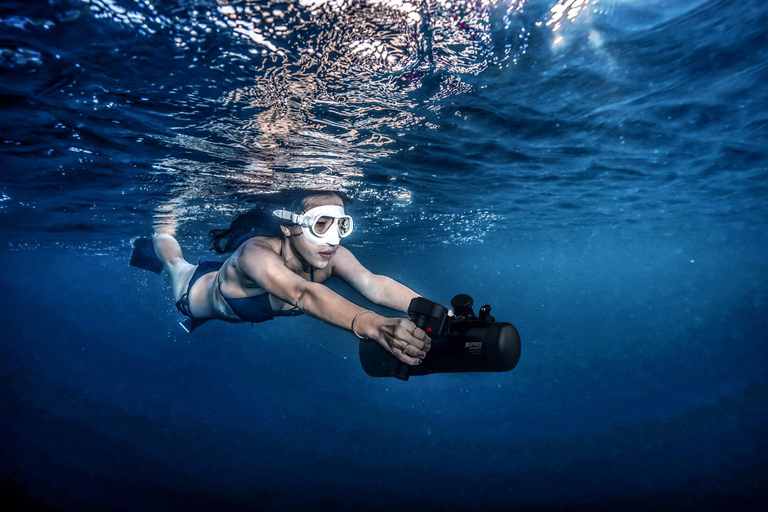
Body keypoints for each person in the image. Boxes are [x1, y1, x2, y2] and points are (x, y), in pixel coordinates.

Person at [132, 189, 431, 366]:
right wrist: (375, 325)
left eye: (340, 226)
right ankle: (159, 230)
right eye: (321, 225)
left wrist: (441, 314)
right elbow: (302, 293)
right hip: (194, 291)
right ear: (288, 227)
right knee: (175, 262)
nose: (332, 240)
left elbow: (372, 283)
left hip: (239, 290)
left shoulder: (329, 254)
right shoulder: (254, 253)